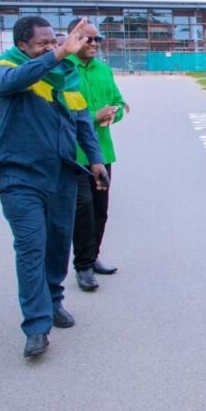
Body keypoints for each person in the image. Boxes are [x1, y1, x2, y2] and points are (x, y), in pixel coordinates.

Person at [0, 17, 109, 358]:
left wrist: (95, 160)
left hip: (62, 174)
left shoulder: (66, 76)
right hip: (19, 177)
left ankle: (53, 300)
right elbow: (17, 80)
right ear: (23, 45)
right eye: (43, 44)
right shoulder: (3, 69)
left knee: (55, 245)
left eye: (55, 41)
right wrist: (60, 53)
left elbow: (83, 123)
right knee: (32, 246)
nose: (52, 48)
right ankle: (36, 326)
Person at [67, 20, 126, 292]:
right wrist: (93, 116)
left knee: (100, 210)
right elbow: (60, 115)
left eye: (97, 39)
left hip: (103, 152)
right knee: (83, 212)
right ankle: (83, 267)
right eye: (87, 39)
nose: (93, 44)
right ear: (74, 39)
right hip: (74, 156)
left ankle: (93, 256)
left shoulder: (103, 69)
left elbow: (119, 102)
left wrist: (114, 112)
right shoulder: (64, 70)